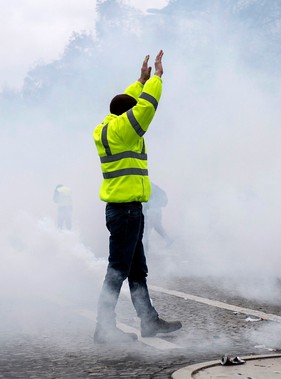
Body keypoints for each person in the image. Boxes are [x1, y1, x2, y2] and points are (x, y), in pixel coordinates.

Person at [92, 50, 182, 344]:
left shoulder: (105, 127)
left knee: (136, 271)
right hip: (127, 213)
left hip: (124, 211)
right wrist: (156, 79)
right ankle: (104, 328)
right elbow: (144, 110)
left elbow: (124, 104)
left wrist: (139, 81)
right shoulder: (125, 131)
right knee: (117, 272)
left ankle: (149, 321)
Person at [143, 182, 173, 250]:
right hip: (156, 210)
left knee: (147, 229)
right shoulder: (152, 185)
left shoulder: (146, 185)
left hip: (151, 210)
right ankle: (168, 239)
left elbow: (146, 201)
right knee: (156, 226)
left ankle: (145, 247)